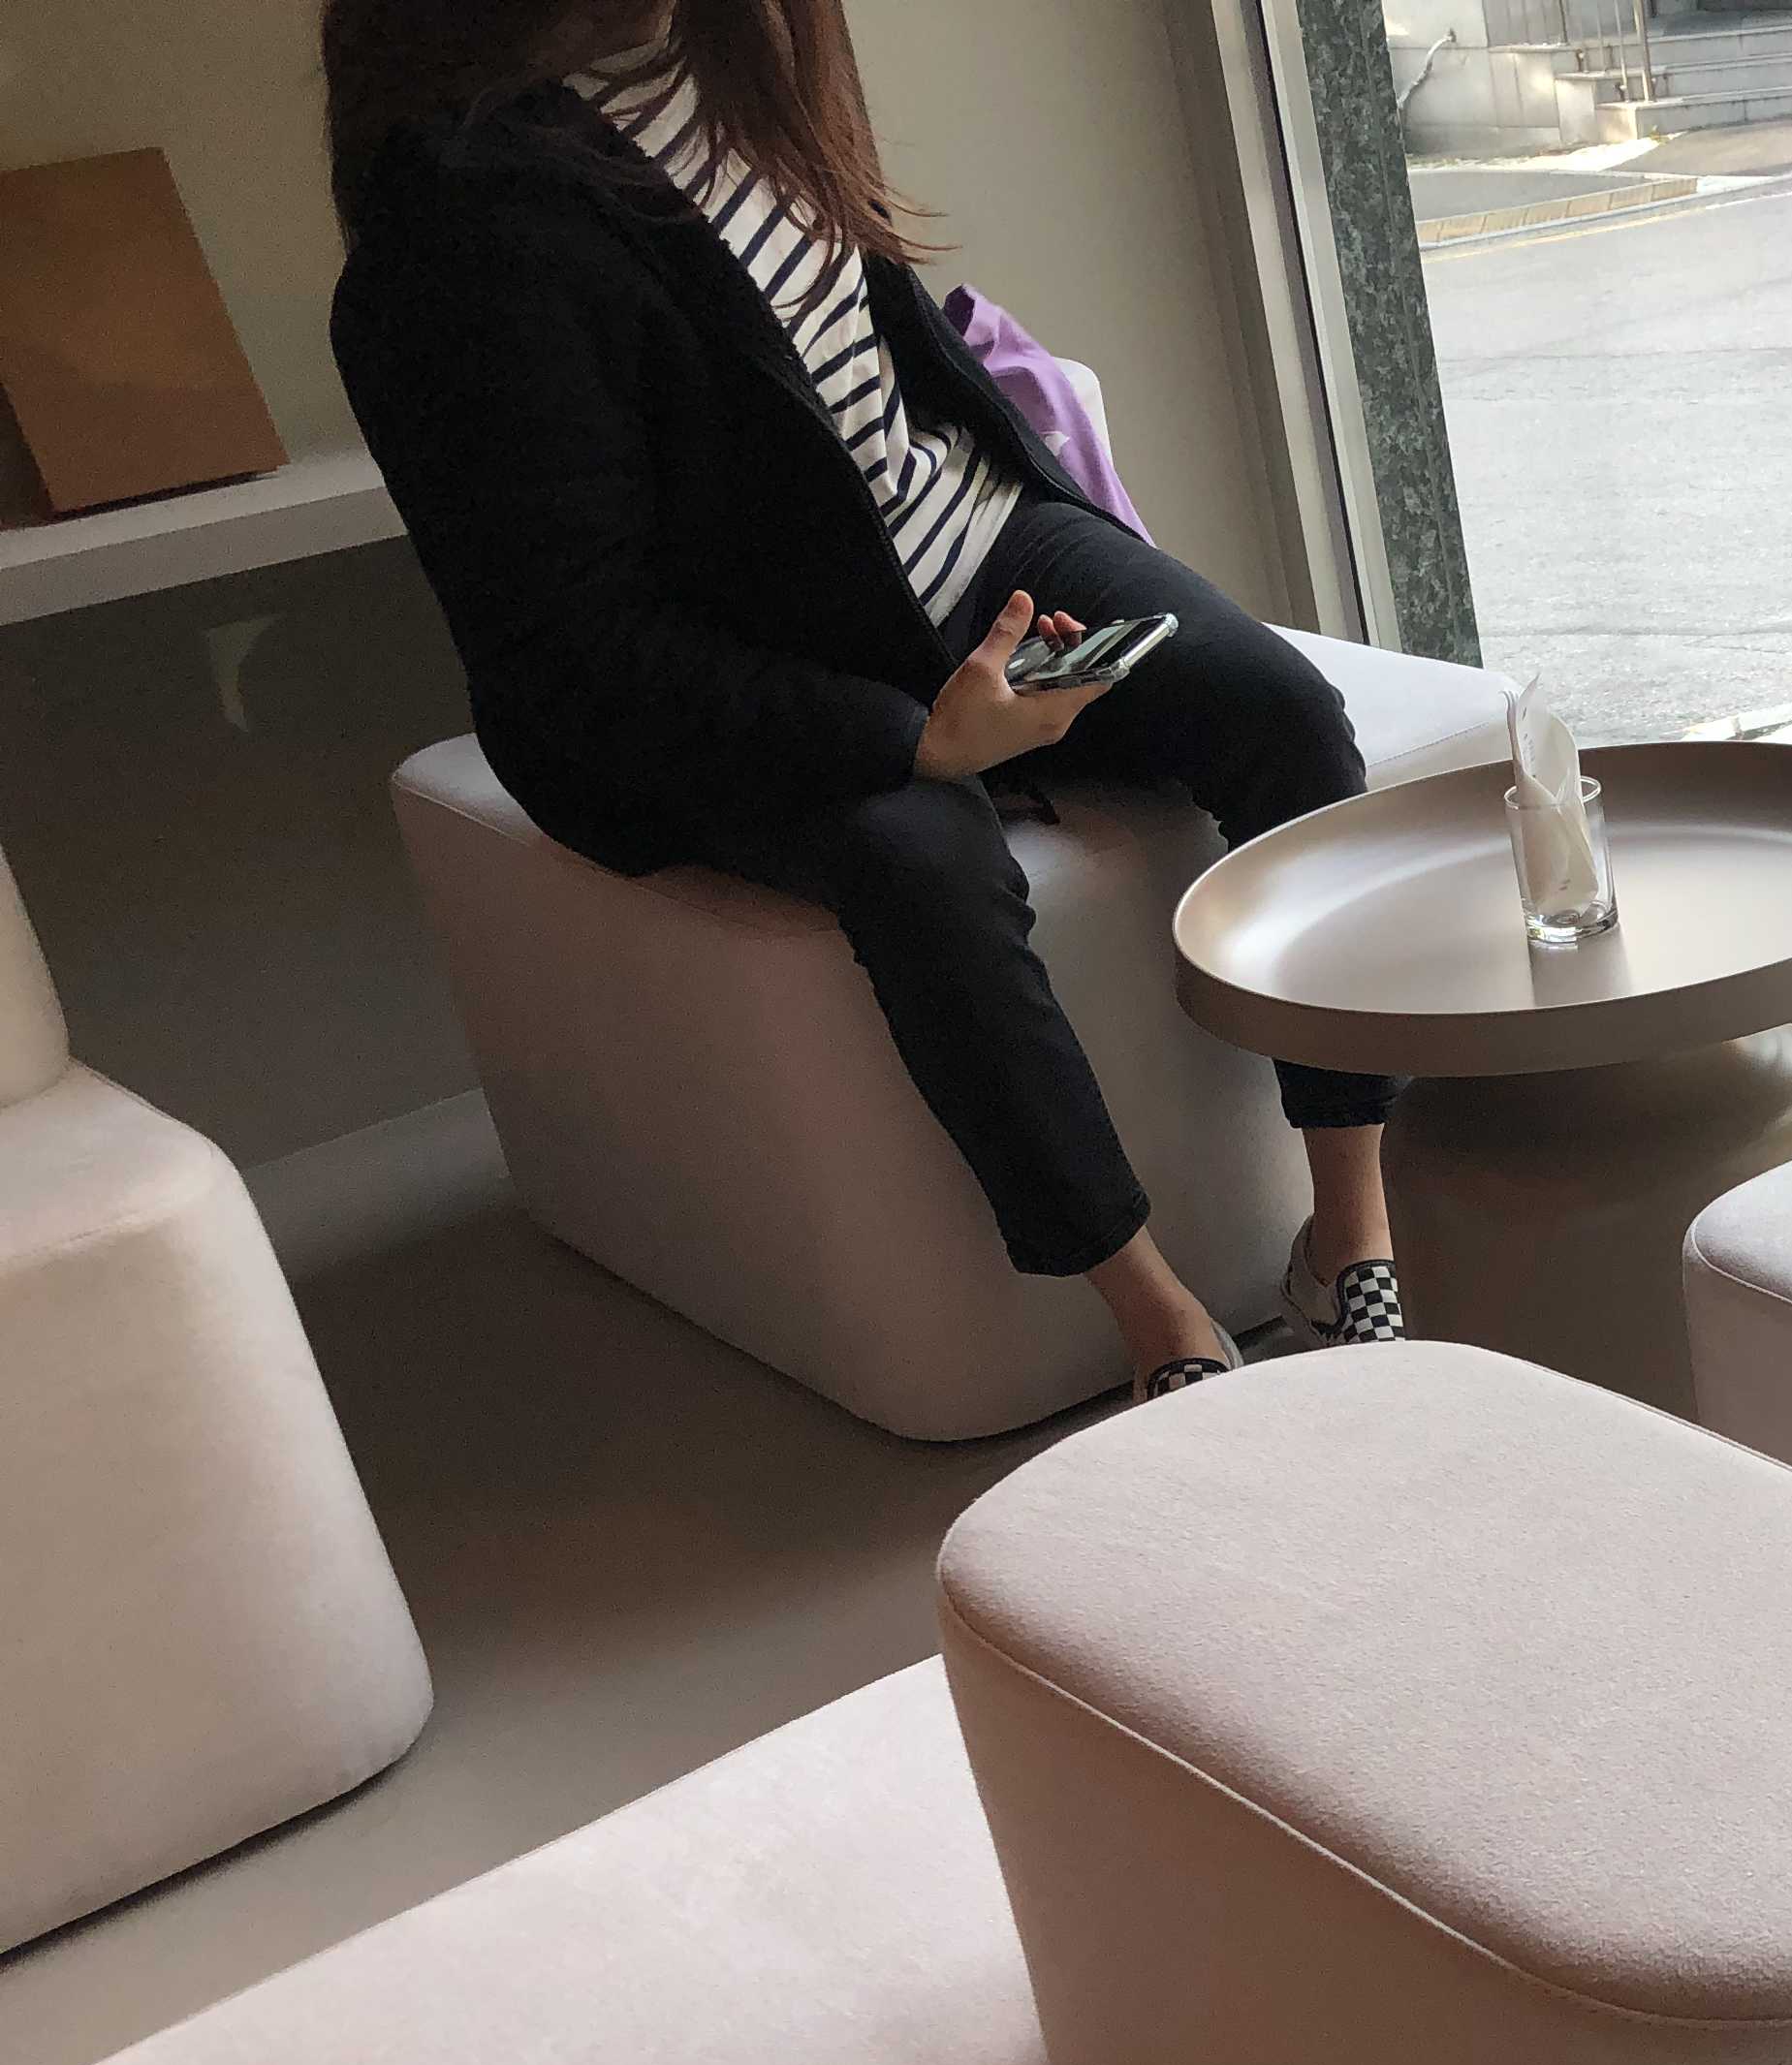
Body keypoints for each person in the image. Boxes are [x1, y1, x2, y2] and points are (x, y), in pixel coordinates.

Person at [324, 0, 1407, 1403]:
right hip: (744, 675)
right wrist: (913, 737)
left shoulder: (749, 48)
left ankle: (1347, 1235)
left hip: (969, 551)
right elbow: (572, 651)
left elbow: (867, 376)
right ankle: (1158, 1322)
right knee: (923, 865)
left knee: (1281, 714)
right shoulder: (455, 224)